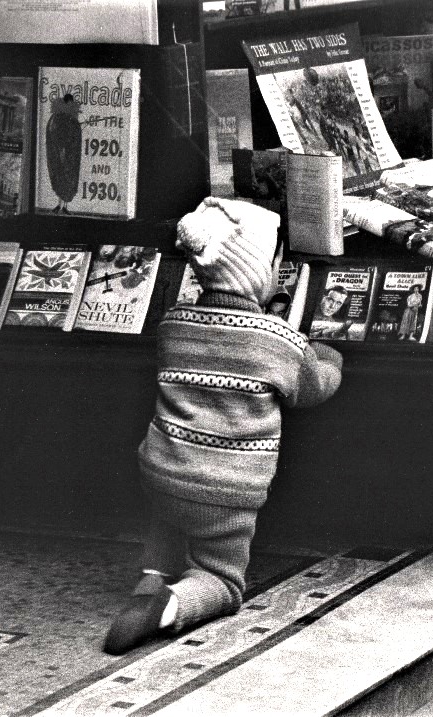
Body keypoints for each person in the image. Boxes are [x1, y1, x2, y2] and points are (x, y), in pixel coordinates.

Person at [103, 197, 343, 655]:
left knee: (169, 520)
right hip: (225, 490)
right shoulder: (277, 341)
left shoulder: (174, 325)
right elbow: (312, 387)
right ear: (258, 272)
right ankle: (167, 608)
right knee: (222, 578)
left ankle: (152, 580)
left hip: (162, 471)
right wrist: (329, 357)